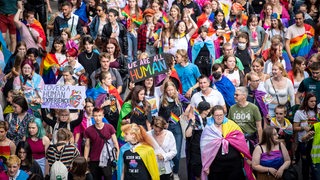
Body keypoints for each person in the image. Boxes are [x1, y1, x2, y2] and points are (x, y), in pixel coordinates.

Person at [200, 105, 254, 180]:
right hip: (217, 167)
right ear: (212, 115)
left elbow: (241, 141)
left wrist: (246, 157)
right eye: (217, 115)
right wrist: (206, 166)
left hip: (234, 165)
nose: (219, 117)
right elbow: (204, 150)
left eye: (221, 115)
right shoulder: (208, 129)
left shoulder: (231, 125)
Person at [159, 81, 185, 179]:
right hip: (166, 128)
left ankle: (175, 172)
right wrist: (163, 123)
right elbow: (160, 115)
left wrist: (186, 113)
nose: (170, 92)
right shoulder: (162, 100)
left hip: (177, 126)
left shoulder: (179, 98)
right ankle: (168, 170)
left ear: (175, 89)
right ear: (165, 90)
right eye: (168, 90)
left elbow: (189, 104)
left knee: (176, 153)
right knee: (166, 151)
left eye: (171, 90)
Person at [84, 107, 119, 180]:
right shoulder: (89, 130)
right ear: (93, 116)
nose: (97, 118)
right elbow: (87, 146)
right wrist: (85, 159)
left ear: (103, 116)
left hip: (107, 159)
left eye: (99, 115)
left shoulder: (109, 127)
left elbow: (115, 142)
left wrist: (117, 157)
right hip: (94, 160)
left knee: (108, 177)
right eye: (95, 116)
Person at [228, 86, 262, 153]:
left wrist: (260, 141)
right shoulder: (232, 108)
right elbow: (229, 125)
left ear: (244, 96)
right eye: (234, 94)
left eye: (237, 95)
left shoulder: (253, 108)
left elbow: (259, 126)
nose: (234, 96)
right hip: (237, 139)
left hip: (251, 139)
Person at [293, 93, 317, 180]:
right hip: (303, 142)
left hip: (315, 142)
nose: (313, 103)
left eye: (315, 101)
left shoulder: (317, 112)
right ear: (306, 101)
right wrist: (303, 127)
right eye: (311, 101)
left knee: (314, 164)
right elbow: (295, 128)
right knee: (305, 164)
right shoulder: (299, 113)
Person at [185, 101, 211, 180]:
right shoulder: (195, 119)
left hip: (207, 151)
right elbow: (187, 134)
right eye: (209, 109)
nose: (209, 110)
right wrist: (192, 123)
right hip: (196, 151)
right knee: (198, 173)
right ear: (205, 110)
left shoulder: (209, 120)